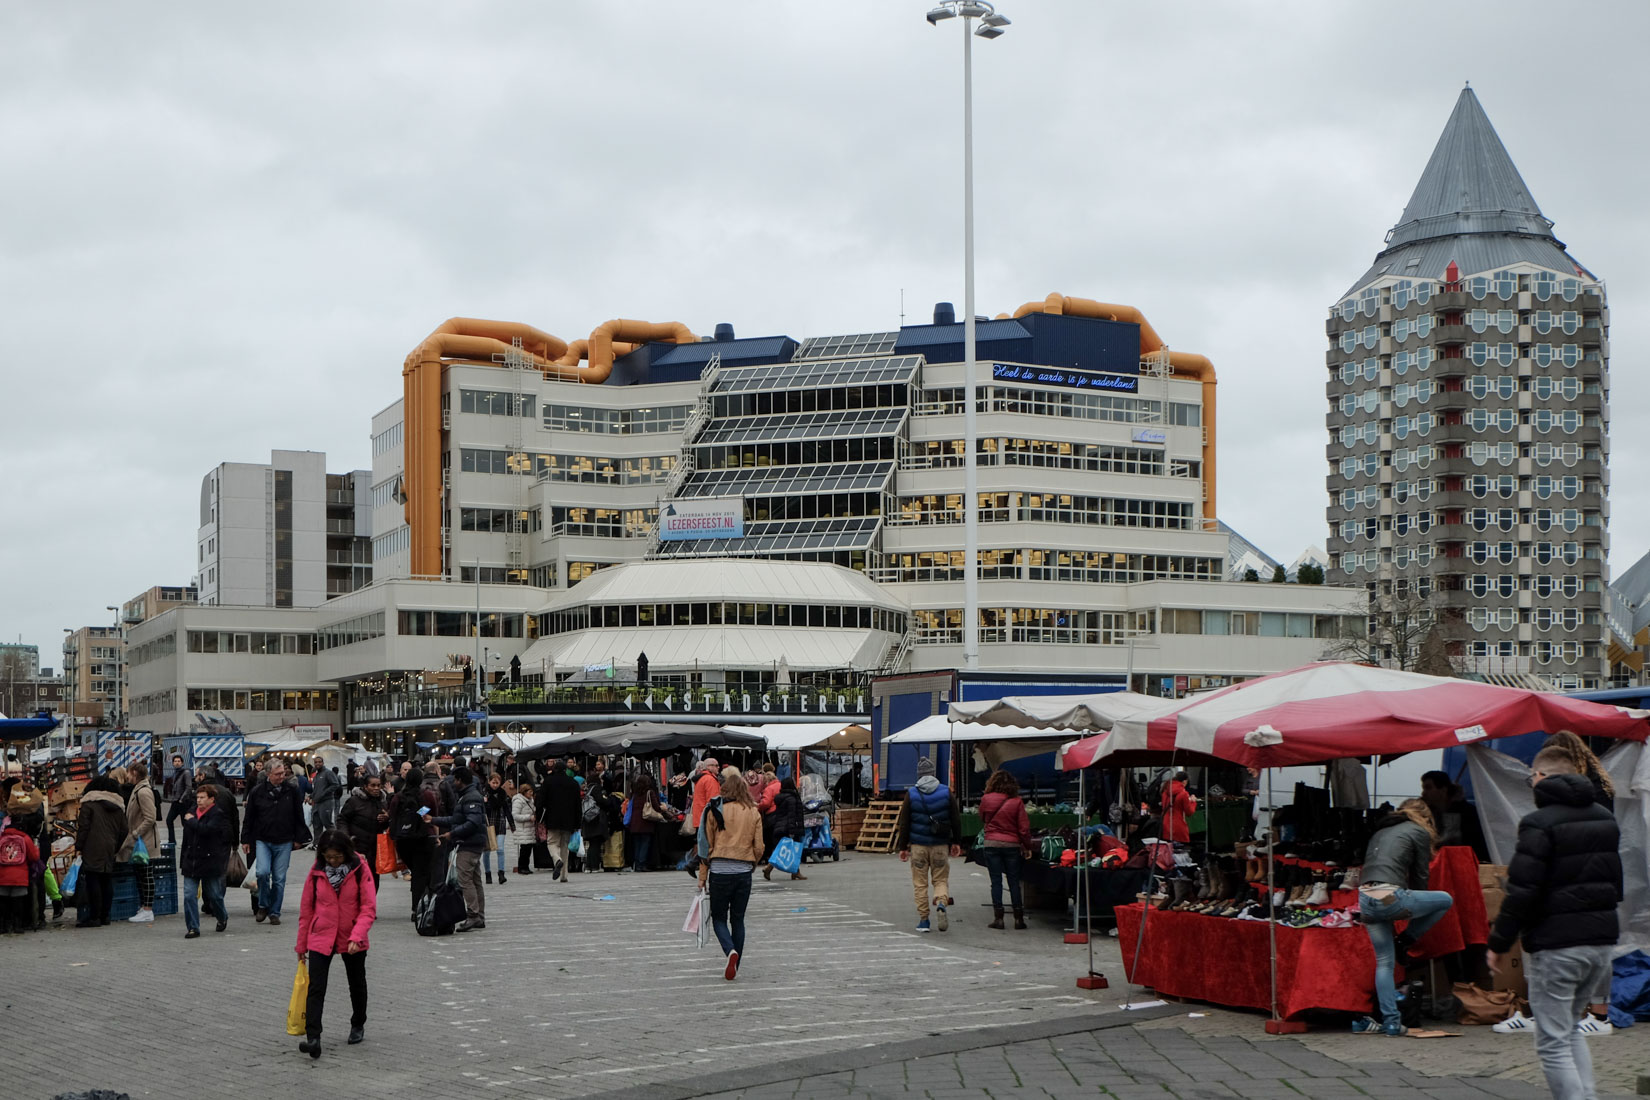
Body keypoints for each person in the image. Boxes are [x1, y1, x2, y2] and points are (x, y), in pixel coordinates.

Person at [1486, 747, 1622, 1100]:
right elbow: (1615, 886)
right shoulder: (1605, 818)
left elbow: (1522, 890)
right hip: (1601, 942)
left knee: (1552, 1043)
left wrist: (1499, 942)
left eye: (1532, 776)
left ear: (1543, 777)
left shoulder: (1538, 822)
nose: (1531, 782)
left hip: (1558, 945)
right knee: (1571, 1029)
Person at [1353, 798, 1454, 1037]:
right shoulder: (1418, 831)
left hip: (1366, 896)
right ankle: (1406, 940)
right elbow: (1420, 875)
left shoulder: (1383, 830)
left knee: (1385, 963)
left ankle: (1391, 1022)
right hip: (1388, 895)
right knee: (1445, 900)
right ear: (1425, 817)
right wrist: (1415, 907)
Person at [294, 829, 378, 1058]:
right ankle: (313, 1037)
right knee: (316, 987)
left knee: (356, 982)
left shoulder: (360, 868)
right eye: (328, 857)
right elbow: (306, 909)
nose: (332, 861)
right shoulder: (317, 871)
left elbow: (368, 907)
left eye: (337, 857)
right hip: (321, 934)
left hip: (352, 933)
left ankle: (358, 1023)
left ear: (346, 853)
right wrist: (301, 945)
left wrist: (357, 936)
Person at [699, 771, 765, 981]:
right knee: (738, 919)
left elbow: (705, 844)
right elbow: (760, 846)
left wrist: (702, 876)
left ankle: (730, 952)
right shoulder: (753, 811)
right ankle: (736, 963)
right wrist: (752, 863)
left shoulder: (714, 810)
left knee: (719, 918)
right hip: (743, 871)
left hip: (719, 870)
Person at [894, 757, 963, 933]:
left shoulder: (912, 793)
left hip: (918, 847)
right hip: (940, 845)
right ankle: (941, 902)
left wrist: (903, 847)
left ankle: (924, 920)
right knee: (940, 879)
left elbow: (905, 822)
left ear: (919, 775)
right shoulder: (946, 792)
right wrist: (956, 842)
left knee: (920, 883)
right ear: (933, 774)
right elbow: (956, 820)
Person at [241, 759, 312, 926]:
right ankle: (263, 904)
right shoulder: (257, 792)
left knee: (279, 878)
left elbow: (298, 815)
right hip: (263, 840)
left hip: (284, 840)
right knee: (262, 873)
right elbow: (249, 817)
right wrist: (245, 839)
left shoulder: (291, 790)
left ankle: (274, 912)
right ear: (268, 774)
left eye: (283, 773)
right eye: (278, 774)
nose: (282, 776)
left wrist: (298, 839)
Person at [432, 766, 487, 932]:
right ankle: (479, 916)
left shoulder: (471, 797)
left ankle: (473, 915)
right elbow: (456, 818)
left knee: (465, 880)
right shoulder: (466, 796)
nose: (452, 782)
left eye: (454, 779)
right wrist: (433, 819)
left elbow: (472, 823)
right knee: (475, 879)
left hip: (469, 844)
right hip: (471, 843)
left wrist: (452, 834)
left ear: (459, 780)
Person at [979, 769, 1033, 930]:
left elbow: (982, 817)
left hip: (991, 844)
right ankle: (1018, 919)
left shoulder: (986, 799)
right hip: (1012, 845)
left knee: (996, 881)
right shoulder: (1017, 802)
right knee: (1013, 882)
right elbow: (1024, 829)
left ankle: (999, 918)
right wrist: (1027, 846)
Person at [179, 782, 232, 938]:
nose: (199, 801)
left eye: (202, 797)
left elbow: (207, 830)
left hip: (210, 861)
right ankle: (193, 927)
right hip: (192, 861)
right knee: (189, 895)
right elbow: (187, 838)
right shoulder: (192, 811)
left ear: (211, 799)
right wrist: (183, 858)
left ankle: (222, 917)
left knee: (214, 895)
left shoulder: (217, 814)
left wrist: (191, 821)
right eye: (198, 797)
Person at [74, 776, 127, 927]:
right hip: (110, 847)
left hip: (92, 846)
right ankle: (106, 916)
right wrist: (115, 845)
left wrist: (79, 846)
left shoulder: (89, 804)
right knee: (106, 879)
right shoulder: (118, 806)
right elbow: (125, 829)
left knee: (93, 880)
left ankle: (94, 917)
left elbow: (83, 828)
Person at [389, 767, 439, 920]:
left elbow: (393, 816)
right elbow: (433, 815)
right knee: (422, 873)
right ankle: (419, 907)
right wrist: (419, 815)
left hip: (403, 841)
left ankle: (416, 905)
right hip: (423, 838)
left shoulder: (397, 798)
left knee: (416, 872)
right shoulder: (427, 795)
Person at [118, 762, 161, 923]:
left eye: (128, 773)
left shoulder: (143, 792)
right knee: (141, 873)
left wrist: (136, 833)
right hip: (141, 841)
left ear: (134, 773)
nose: (127, 776)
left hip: (145, 842)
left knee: (146, 874)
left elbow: (150, 817)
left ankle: (148, 909)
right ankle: (144, 907)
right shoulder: (139, 789)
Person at [1419, 769, 1490, 863]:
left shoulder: (1465, 812)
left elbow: (1452, 842)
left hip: (1466, 864)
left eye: (1428, 788)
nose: (1423, 793)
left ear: (1443, 790)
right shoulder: (1428, 812)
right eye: (1423, 788)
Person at [336, 773, 389, 892]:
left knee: (373, 882)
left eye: (378, 785)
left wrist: (387, 819)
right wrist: (346, 838)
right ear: (365, 787)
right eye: (373, 785)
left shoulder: (382, 802)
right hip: (357, 847)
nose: (376, 788)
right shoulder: (354, 801)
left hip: (375, 849)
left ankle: (369, 907)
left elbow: (387, 824)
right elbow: (342, 819)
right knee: (356, 880)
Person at [536, 758, 582, 882]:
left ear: (554, 769)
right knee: (564, 846)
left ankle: (557, 860)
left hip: (552, 818)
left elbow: (541, 801)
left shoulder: (548, 782)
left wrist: (539, 817)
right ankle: (564, 875)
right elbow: (578, 804)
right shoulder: (573, 783)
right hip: (569, 820)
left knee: (552, 843)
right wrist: (578, 822)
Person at [0, 812, 41, 934]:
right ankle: (18, 925)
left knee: (3, 902)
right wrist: (37, 849)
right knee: (18, 902)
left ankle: (3, 926)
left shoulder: (2, 838)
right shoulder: (25, 838)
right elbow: (34, 857)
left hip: (2, 876)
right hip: (20, 876)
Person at [759, 776, 806, 882]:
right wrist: (792, 830)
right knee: (792, 850)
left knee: (782, 849)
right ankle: (769, 868)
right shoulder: (792, 798)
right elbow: (792, 815)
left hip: (779, 825)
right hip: (790, 827)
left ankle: (795, 872)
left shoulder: (780, 798)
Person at [625, 773, 663, 872]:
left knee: (637, 844)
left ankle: (637, 864)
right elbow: (656, 806)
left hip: (634, 822)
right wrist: (663, 809)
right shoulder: (649, 793)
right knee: (645, 843)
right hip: (645, 822)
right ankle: (642, 864)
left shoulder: (634, 794)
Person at [483, 772, 512, 885]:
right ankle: (488, 873)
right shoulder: (484, 792)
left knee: (500, 849)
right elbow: (483, 808)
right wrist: (486, 802)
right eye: (493, 782)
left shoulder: (502, 793)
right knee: (487, 851)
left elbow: (506, 809)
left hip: (500, 822)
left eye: (497, 783)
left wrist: (511, 824)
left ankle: (501, 873)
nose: (495, 785)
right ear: (489, 782)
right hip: (488, 823)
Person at [1159, 770, 1197, 850]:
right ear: (1184, 781)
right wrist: (1193, 802)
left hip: (1166, 827)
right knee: (1180, 855)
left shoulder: (1165, 791)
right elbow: (1189, 812)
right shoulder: (1183, 794)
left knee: (1168, 854)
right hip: (1179, 828)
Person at [163, 753, 194, 845]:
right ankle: (172, 840)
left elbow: (189, 787)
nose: (177, 763)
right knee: (169, 820)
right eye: (175, 761)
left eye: (178, 761)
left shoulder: (186, 773)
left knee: (185, 823)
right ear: (172, 763)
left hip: (182, 802)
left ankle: (188, 841)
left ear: (182, 763)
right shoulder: (175, 773)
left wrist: (181, 799)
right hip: (175, 801)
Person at [310, 757, 343, 837]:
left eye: (319, 762)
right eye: (316, 762)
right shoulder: (316, 775)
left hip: (326, 802)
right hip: (316, 803)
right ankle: (317, 843)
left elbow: (335, 784)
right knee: (316, 824)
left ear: (323, 763)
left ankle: (335, 840)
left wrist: (324, 793)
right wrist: (310, 796)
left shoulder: (328, 773)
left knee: (327, 823)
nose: (317, 764)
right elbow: (316, 789)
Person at [510, 781, 536, 877]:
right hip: (523, 829)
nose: (531, 794)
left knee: (528, 849)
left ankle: (526, 866)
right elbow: (515, 815)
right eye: (529, 792)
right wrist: (529, 817)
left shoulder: (531, 800)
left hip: (530, 828)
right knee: (524, 849)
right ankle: (522, 867)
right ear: (524, 792)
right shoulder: (518, 801)